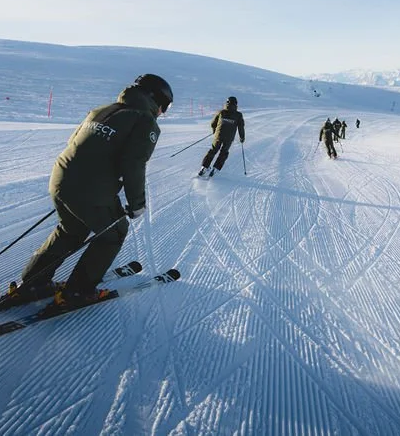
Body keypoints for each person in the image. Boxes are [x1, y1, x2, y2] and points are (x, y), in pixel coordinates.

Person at [17, 73, 172, 309]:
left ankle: (33, 283)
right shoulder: (145, 121)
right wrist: (136, 203)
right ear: (156, 99)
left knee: (71, 229)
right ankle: (78, 292)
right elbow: (133, 164)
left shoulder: (102, 110)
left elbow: (77, 142)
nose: (163, 112)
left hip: (61, 177)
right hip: (88, 188)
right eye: (165, 106)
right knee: (114, 232)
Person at [199, 96, 246, 177]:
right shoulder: (238, 115)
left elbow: (213, 123)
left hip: (219, 135)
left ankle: (204, 167)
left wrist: (214, 130)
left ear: (227, 103)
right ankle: (216, 168)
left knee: (213, 150)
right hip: (229, 138)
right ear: (236, 104)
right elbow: (240, 127)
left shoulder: (221, 112)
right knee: (224, 152)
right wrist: (242, 137)